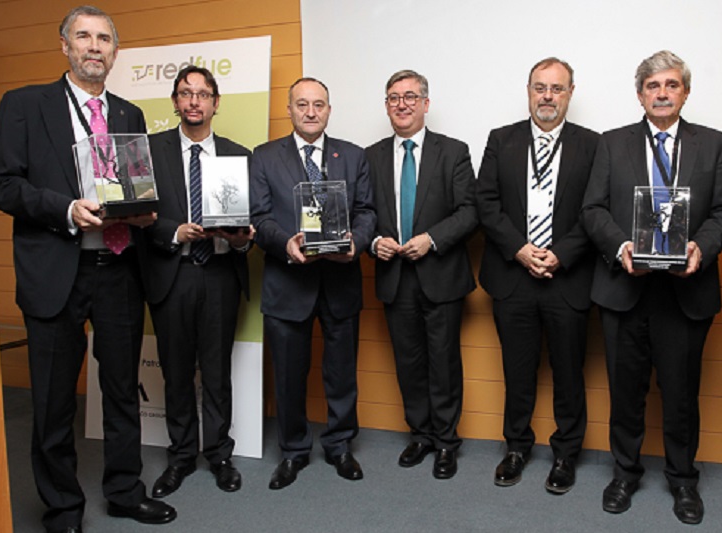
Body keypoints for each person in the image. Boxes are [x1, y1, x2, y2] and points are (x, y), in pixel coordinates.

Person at [0, 6, 176, 531]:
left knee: (120, 391)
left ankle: (123, 491)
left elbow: (133, 185)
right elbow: (0, 185)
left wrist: (145, 209)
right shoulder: (24, 105)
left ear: (115, 51)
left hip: (117, 267)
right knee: (51, 400)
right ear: (65, 45)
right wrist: (65, 208)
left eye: (104, 38)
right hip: (54, 270)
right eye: (84, 36)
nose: (94, 46)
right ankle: (63, 507)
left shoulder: (129, 114)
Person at [580, 50, 722, 525]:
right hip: (625, 288)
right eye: (653, 86)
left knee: (681, 393)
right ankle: (624, 473)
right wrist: (623, 248)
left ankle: (683, 480)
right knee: (625, 391)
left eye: (671, 85)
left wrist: (700, 250)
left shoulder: (714, 144)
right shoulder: (611, 143)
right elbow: (593, 210)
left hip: (685, 292)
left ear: (685, 92)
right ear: (640, 93)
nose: (662, 93)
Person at [476, 57, 599, 494]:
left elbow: (595, 211)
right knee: (518, 370)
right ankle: (516, 447)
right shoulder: (500, 140)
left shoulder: (593, 144)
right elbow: (486, 203)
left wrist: (559, 254)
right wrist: (521, 250)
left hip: (568, 279)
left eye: (557, 89)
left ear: (570, 93)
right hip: (513, 276)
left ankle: (566, 453)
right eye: (540, 88)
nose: (547, 96)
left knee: (569, 373)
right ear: (528, 91)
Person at [250, 77, 376, 489]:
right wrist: (285, 243)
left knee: (341, 374)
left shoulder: (353, 156)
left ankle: (339, 446)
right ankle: (293, 451)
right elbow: (259, 217)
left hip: (340, 282)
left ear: (328, 109)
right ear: (289, 109)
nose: (310, 111)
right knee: (288, 375)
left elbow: (366, 211)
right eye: (301, 104)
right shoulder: (265, 157)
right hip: (288, 282)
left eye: (318, 104)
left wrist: (355, 243)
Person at [143, 66, 253, 498]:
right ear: (175, 101)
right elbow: (136, 215)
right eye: (186, 94)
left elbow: (249, 224)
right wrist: (174, 231)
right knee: (175, 373)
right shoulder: (151, 152)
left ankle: (219, 455)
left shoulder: (238, 155)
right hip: (173, 272)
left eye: (203, 94)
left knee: (217, 371)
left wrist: (242, 240)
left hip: (221, 275)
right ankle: (181, 456)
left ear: (216, 103)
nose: (194, 102)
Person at [367, 70, 478, 479]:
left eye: (411, 96)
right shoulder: (371, 155)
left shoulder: (453, 151)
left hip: (441, 274)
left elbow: (470, 211)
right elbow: (364, 214)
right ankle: (421, 434)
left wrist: (431, 239)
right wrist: (373, 240)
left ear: (426, 104)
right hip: (394, 275)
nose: (402, 104)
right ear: (386, 105)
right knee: (408, 361)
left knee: (444, 361)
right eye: (394, 97)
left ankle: (447, 441)